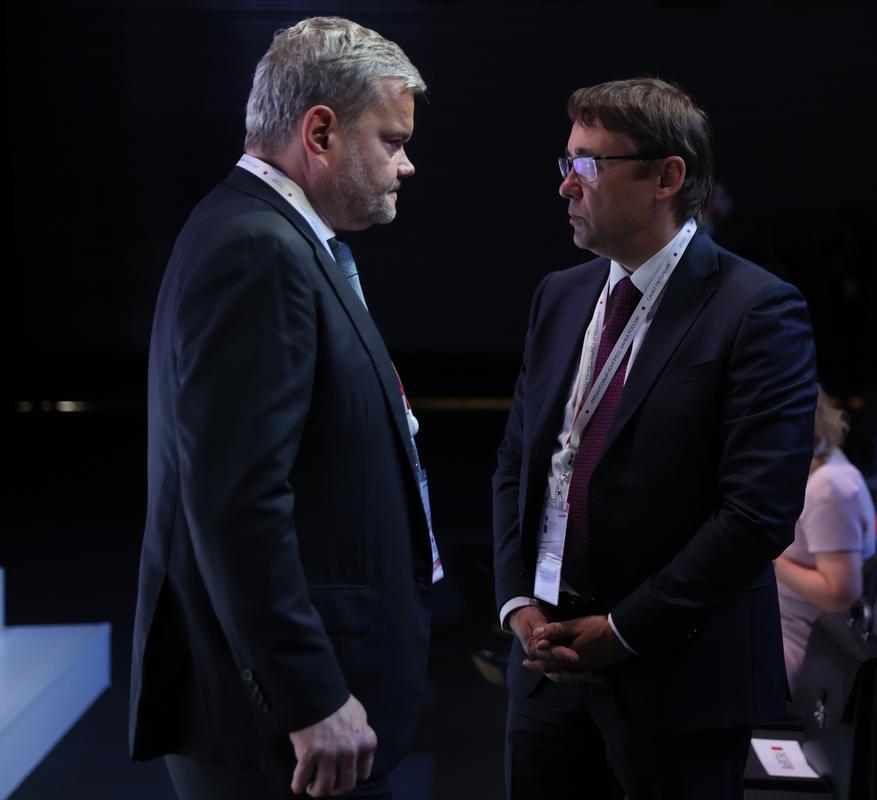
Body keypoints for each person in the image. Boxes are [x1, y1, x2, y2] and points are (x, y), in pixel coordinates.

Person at [130, 18, 438, 800]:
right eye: (393, 140)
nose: (407, 164)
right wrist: (309, 694)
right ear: (321, 132)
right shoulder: (259, 249)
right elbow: (236, 503)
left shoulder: (260, 232)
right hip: (288, 734)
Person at [491, 77, 817, 798]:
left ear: (667, 177)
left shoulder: (758, 309)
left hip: (677, 678)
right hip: (546, 664)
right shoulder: (560, 295)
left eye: (588, 165)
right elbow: (519, 460)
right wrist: (517, 602)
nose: (567, 185)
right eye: (566, 162)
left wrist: (623, 630)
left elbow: (758, 512)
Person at [774, 388, 877, 699]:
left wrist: (767, 554)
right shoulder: (814, 467)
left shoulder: (829, 486)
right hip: (778, 629)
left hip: (800, 652)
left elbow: (840, 595)